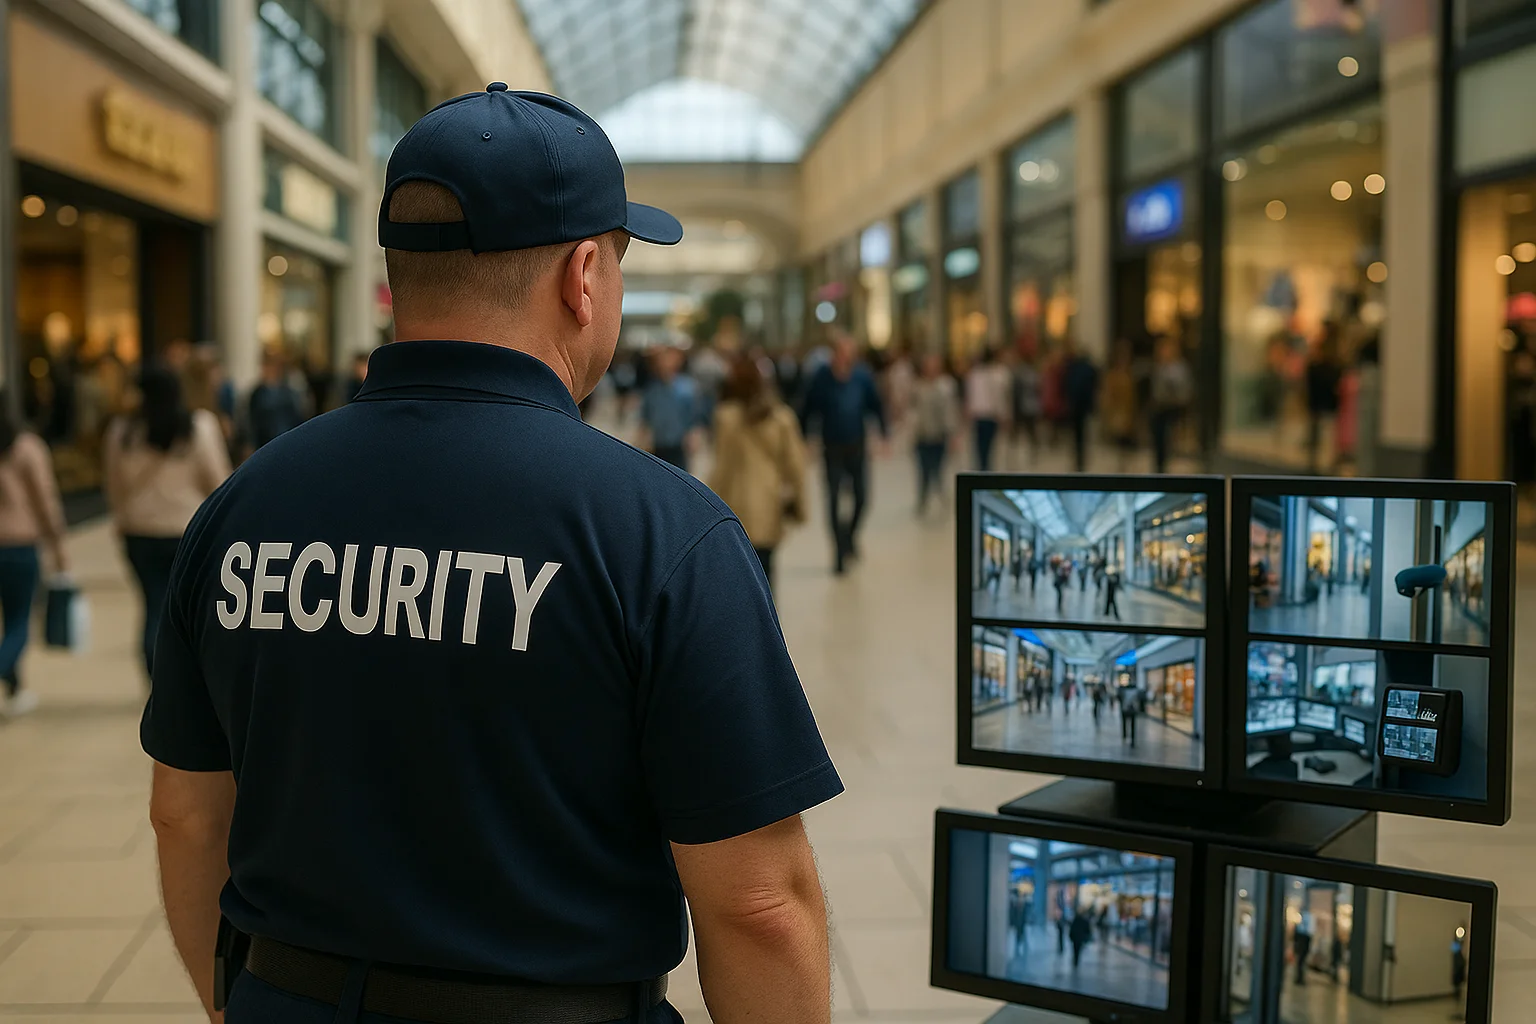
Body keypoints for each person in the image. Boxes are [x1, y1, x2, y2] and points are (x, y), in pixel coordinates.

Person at [140, 85, 841, 1024]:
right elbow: (759, 904)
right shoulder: (661, 535)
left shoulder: (241, 509)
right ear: (582, 276)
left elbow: (184, 816)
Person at [103, 365, 231, 679]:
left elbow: (113, 485)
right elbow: (220, 482)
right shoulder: (198, 426)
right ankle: (187, 677)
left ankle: (156, 679)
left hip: (139, 531)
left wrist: (122, 516)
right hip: (188, 531)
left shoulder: (122, 432)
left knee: (153, 606)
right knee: (191, 610)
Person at [707, 354, 808, 589]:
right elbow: (795, 466)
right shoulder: (781, 418)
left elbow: (721, 467)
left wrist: (709, 507)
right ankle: (768, 622)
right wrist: (799, 505)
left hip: (734, 505)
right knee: (766, 573)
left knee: (739, 577)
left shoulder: (726, 418)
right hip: (769, 504)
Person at [800, 333, 887, 574]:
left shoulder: (862, 377)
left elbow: (875, 406)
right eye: (841, 351)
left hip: (857, 445)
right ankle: (838, 553)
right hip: (832, 447)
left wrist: (883, 435)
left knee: (861, 498)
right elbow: (808, 408)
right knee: (835, 499)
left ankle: (849, 536)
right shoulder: (821, 377)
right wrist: (806, 439)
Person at [0, 401, 66, 716]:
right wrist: (58, 545)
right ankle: (6, 671)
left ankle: (15, 689)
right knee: (18, 621)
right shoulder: (26, 447)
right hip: (18, 545)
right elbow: (45, 498)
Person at [911, 353, 959, 516]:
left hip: (939, 436)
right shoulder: (918, 387)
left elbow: (949, 411)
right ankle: (923, 499)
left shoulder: (945, 386)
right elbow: (912, 411)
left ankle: (941, 495)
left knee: (938, 469)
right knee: (923, 470)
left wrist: (952, 434)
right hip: (922, 435)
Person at [638, 346, 700, 471]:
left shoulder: (687, 388)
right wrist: (642, 438)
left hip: (678, 444)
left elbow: (693, 414)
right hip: (658, 443)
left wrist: (693, 435)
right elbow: (646, 416)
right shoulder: (652, 389)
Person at [244, 348, 307, 454]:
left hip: (287, 441)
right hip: (265, 443)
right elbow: (252, 421)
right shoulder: (258, 393)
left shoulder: (288, 392)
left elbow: (296, 417)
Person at [1147, 336, 1193, 474]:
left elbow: (1185, 390)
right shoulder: (1159, 367)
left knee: (1172, 441)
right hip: (1159, 409)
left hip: (1173, 410)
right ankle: (1160, 468)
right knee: (1159, 442)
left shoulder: (1180, 368)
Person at [965, 349, 1010, 471]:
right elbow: (1000, 397)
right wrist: (1004, 415)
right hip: (988, 414)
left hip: (982, 414)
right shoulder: (998, 374)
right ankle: (984, 468)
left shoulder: (976, 373)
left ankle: (983, 468)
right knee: (986, 446)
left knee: (982, 446)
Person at [1306, 323, 1344, 472]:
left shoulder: (1326, 361)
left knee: (1324, 438)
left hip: (1323, 403)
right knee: (1322, 437)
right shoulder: (1330, 362)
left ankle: (1321, 467)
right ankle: (1319, 467)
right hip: (1323, 403)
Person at [1061, 340, 1099, 472]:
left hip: (1078, 405)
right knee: (1079, 434)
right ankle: (1079, 459)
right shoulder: (1077, 367)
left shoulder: (1078, 368)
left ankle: (1080, 459)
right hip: (1079, 405)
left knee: (1080, 434)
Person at [1100, 342, 1138, 470]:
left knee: (1126, 443)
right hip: (1116, 412)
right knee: (1117, 442)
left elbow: (1132, 397)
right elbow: (1108, 395)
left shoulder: (1129, 375)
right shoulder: (1112, 376)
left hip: (1126, 412)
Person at [1120, 684, 1141, 749]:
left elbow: (1120, 698)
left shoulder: (1124, 691)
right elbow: (1138, 700)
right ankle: (1132, 740)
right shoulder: (1136, 692)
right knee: (1133, 725)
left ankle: (1124, 735)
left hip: (1125, 709)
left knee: (1124, 723)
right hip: (1132, 710)